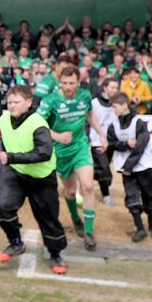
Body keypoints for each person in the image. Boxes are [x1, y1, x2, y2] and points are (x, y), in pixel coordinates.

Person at [0, 86, 67, 275]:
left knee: (48, 218)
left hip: (42, 178)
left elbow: (44, 153)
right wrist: (11, 160)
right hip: (16, 173)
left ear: (28, 102)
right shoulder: (3, 119)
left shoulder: (38, 123)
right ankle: (16, 243)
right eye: (9, 102)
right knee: (2, 206)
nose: (12, 105)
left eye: (16, 102)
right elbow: (8, 143)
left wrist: (12, 157)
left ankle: (55, 254)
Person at [36, 66, 108, 251]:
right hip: (60, 152)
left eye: (72, 83)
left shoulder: (85, 96)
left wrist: (101, 134)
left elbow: (90, 116)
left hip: (80, 147)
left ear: (78, 82)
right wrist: (57, 136)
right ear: (60, 82)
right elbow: (38, 125)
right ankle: (76, 219)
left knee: (88, 186)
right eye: (65, 83)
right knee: (69, 191)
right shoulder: (51, 100)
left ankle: (89, 233)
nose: (68, 87)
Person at [108, 93, 152, 242]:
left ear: (124, 105)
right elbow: (111, 143)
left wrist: (128, 166)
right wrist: (125, 145)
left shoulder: (138, 122)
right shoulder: (114, 125)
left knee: (150, 196)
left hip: (144, 167)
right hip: (127, 170)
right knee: (132, 198)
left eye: (115, 107)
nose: (114, 110)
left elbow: (141, 145)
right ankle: (140, 228)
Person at [91, 77, 119, 206]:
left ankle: (83, 183)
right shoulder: (94, 102)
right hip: (96, 142)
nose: (114, 90)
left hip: (110, 143)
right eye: (112, 87)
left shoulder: (117, 103)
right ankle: (106, 196)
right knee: (104, 170)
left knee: (102, 168)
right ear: (104, 88)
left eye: (116, 88)